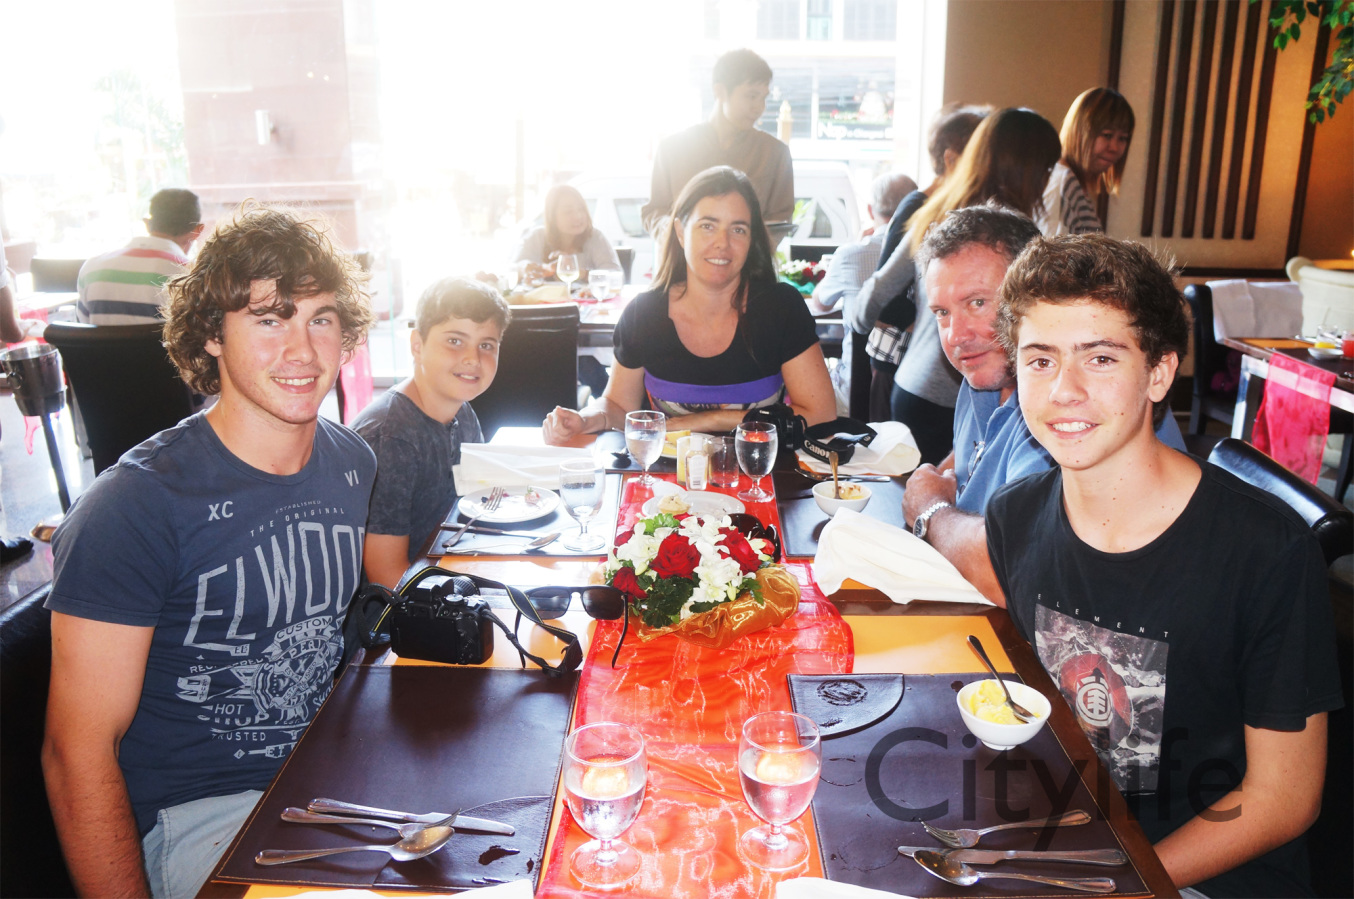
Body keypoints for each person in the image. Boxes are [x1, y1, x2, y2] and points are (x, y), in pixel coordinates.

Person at [985, 233, 1341, 897]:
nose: (1064, 390)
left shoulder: (1265, 551)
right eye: (1040, 360)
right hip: (1074, 840)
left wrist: (1119, 882)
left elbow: (1285, 797)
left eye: (1100, 357)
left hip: (1204, 873)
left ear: (1158, 372)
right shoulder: (1015, 516)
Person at [42, 203, 376, 899]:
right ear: (212, 337)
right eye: (268, 319)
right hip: (202, 816)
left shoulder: (352, 462)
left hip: (328, 781)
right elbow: (75, 754)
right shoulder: (134, 505)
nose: (303, 350)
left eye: (320, 318)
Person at [901, 205, 1185, 599]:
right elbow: (975, 456)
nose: (955, 335)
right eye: (942, 312)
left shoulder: (1071, 418)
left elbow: (1010, 573)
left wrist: (930, 509)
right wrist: (938, 477)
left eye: (978, 303)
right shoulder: (983, 376)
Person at [543, 166, 834, 443]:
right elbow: (618, 404)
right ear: (681, 232)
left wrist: (707, 420)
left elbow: (820, 414)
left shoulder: (781, 308)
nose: (722, 243)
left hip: (762, 474)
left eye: (738, 230)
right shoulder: (644, 314)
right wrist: (584, 419)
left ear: (751, 240)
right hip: (668, 477)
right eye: (708, 226)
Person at [850, 108, 1062, 462]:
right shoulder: (1014, 237)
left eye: (976, 303)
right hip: (949, 403)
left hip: (912, 387)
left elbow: (869, 300)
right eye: (1045, 169)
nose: (1046, 181)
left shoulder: (936, 215)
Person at [353, 277, 509, 588]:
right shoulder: (392, 437)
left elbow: (475, 503)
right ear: (417, 345)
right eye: (455, 341)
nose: (473, 358)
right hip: (396, 609)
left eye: (486, 345)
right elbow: (387, 577)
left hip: (444, 571)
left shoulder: (462, 413)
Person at [863, 104, 989, 421]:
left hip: (912, 361)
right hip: (895, 361)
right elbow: (886, 297)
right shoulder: (918, 207)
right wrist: (931, 317)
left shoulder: (959, 210)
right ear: (951, 159)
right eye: (979, 157)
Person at [641, 49, 793, 241]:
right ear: (720, 91)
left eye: (764, 98)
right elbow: (654, 211)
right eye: (751, 96)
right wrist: (675, 234)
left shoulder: (775, 153)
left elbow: (780, 219)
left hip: (748, 260)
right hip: (682, 258)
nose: (759, 107)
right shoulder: (672, 149)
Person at [808, 170, 915, 412]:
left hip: (854, 392)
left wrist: (854, 246)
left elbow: (820, 303)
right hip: (910, 389)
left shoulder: (851, 253)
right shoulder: (931, 252)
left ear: (870, 211)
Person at [76, 188, 204, 324]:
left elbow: (82, 329)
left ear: (147, 224)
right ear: (198, 231)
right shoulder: (191, 277)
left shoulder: (91, 267)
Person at [1041, 87, 1135, 236]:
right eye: (1107, 135)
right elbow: (1048, 247)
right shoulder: (1062, 181)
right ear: (1080, 131)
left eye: (1122, 138)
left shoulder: (1074, 184)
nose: (1114, 147)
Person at [512, 184, 620, 283]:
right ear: (552, 216)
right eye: (568, 212)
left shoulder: (595, 237)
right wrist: (527, 269)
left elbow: (615, 275)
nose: (578, 216)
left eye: (581, 209)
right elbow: (514, 267)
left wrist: (582, 273)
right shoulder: (537, 236)